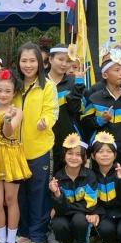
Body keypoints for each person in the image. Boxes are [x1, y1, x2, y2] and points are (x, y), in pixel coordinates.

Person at [14, 42, 57, 243]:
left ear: (40, 63)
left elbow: (52, 111)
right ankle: (23, 233)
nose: (28, 65)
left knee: (39, 194)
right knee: (19, 195)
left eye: (32, 60)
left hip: (40, 149)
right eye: (24, 60)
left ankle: (38, 238)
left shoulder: (47, 86)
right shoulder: (14, 84)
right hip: (14, 151)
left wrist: (45, 122)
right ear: (18, 62)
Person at [0, 68, 30, 243]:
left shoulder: (17, 111)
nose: (3, 94)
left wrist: (8, 120)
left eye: (7, 91)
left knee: (10, 200)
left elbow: (8, 133)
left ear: (14, 92)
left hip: (11, 158)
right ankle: (1, 240)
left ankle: (11, 242)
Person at [48, 134, 99, 243]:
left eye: (78, 154)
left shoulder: (90, 176)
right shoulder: (58, 176)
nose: (73, 158)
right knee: (58, 222)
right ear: (64, 155)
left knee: (79, 219)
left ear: (84, 158)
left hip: (82, 214)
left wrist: (65, 207)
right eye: (70, 153)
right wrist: (57, 194)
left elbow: (90, 205)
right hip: (67, 213)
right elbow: (59, 210)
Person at [82, 51, 121, 164]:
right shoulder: (95, 98)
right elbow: (85, 123)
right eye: (117, 70)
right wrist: (101, 120)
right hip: (101, 153)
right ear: (105, 75)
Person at [46, 45, 84, 174]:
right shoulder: (40, 81)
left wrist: (79, 87)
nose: (64, 64)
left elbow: (76, 110)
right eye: (60, 59)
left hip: (68, 137)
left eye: (68, 61)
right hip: (43, 137)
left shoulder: (74, 82)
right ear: (50, 59)